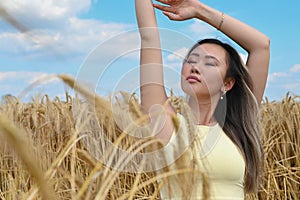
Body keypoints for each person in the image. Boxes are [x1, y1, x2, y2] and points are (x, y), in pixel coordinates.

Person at [135, 0, 270, 199]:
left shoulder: (239, 125)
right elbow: (148, 37)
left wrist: (199, 10)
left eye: (210, 63)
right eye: (191, 60)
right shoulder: (167, 125)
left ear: (228, 83)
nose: (195, 67)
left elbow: (261, 46)